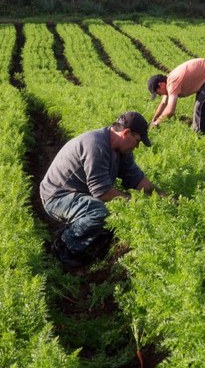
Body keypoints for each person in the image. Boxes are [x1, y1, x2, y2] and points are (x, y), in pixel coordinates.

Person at [40, 111, 159, 268]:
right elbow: (102, 192)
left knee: (110, 211)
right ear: (126, 133)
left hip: (78, 194)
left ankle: (86, 240)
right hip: (56, 197)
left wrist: (161, 196)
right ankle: (64, 246)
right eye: (137, 141)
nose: (137, 146)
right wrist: (133, 201)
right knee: (100, 211)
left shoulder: (122, 150)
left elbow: (137, 179)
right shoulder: (96, 144)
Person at [147, 58, 205, 134]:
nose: (160, 95)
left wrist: (157, 123)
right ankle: (202, 134)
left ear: (161, 85)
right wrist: (154, 119)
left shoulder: (172, 83)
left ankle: (201, 136)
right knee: (201, 106)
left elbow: (170, 110)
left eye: (158, 93)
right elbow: (164, 103)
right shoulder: (168, 80)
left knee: (202, 107)